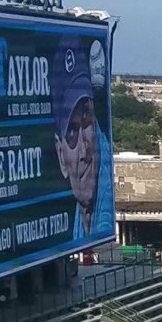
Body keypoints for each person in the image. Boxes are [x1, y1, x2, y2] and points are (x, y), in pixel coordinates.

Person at [50, 35, 113, 238]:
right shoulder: (69, 233)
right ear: (61, 156)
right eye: (71, 131)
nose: (85, 150)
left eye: (86, 124)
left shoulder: (104, 206)